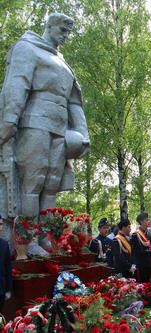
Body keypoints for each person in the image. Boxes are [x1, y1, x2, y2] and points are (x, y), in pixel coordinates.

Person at [0, 13, 90, 217]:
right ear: (49, 27)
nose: (66, 36)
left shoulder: (64, 64)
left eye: (69, 32)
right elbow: (17, 85)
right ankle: (27, 237)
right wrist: (9, 121)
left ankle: (47, 237)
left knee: (52, 183)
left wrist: (83, 135)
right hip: (34, 123)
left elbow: (75, 101)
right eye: (62, 30)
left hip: (59, 129)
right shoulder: (27, 47)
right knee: (33, 180)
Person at [130, 213, 151, 282]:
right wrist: (150, 252)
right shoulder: (135, 235)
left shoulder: (150, 234)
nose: (149, 221)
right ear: (141, 222)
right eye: (146, 220)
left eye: (148, 220)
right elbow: (137, 251)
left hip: (150, 264)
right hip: (141, 265)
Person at [0, 216, 12, 312]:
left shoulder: (4, 245)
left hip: (1, 290)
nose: (1, 228)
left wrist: (8, 289)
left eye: (1, 224)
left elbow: (7, 268)